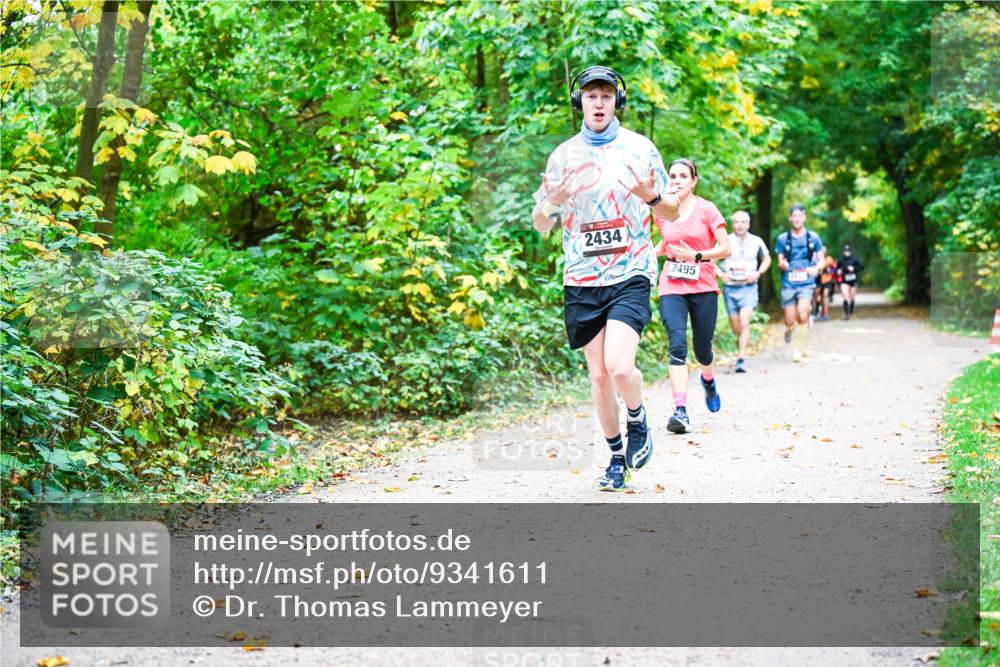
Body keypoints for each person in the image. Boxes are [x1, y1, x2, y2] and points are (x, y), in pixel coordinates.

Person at [532, 66, 674, 491]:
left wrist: (651, 196)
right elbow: (540, 225)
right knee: (597, 375)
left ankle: (638, 418)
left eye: (606, 96)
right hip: (581, 276)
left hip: (631, 269)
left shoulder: (640, 148)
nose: (598, 102)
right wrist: (550, 205)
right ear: (580, 102)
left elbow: (672, 212)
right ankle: (616, 458)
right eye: (591, 95)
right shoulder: (562, 156)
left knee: (619, 366)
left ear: (617, 102)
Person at [654, 158, 731, 433]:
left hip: (704, 284)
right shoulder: (661, 211)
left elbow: (725, 248)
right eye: (672, 175)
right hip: (672, 284)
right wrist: (649, 255)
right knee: (676, 345)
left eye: (682, 176)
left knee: (702, 348)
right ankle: (680, 411)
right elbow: (667, 242)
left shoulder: (707, 209)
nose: (676, 180)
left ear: (693, 180)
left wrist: (697, 255)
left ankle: (708, 381)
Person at [719, 210, 770, 373]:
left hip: (748, 288)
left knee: (744, 322)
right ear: (732, 225)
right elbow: (709, 260)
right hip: (731, 288)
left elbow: (767, 259)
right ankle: (741, 343)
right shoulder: (724, 240)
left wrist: (758, 273)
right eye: (736, 222)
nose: (739, 225)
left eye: (743, 222)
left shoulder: (757, 241)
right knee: (736, 328)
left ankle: (741, 358)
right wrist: (722, 275)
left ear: (748, 224)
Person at [774, 205, 825, 362]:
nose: (796, 219)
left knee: (803, 315)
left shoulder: (813, 237)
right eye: (793, 216)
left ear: (804, 217)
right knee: (790, 321)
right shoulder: (783, 238)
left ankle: (798, 350)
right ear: (790, 218)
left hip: (806, 283)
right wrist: (782, 265)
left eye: (799, 216)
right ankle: (790, 330)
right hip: (789, 283)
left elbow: (822, 259)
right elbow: (780, 261)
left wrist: (816, 268)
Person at [837, 244, 864, 319]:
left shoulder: (854, 259)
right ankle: (846, 313)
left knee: (852, 297)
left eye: (848, 251)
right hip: (844, 280)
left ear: (850, 252)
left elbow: (861, 267)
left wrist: (854, 268)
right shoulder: (841, 260)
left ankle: (851, 310)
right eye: (845, 251)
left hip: (853, 280)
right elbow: (836, 269)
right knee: (846, 296)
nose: (846, 252)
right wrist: (838, 271)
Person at [812, 253, 838, 321]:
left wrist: (830, 271)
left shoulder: (829, 259)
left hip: (827, 280)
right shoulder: (815, 259)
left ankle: (825, 314)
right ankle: (817, 310)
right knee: (816, 297)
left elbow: (835, 268)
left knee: (825, 295)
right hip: (817, 280)